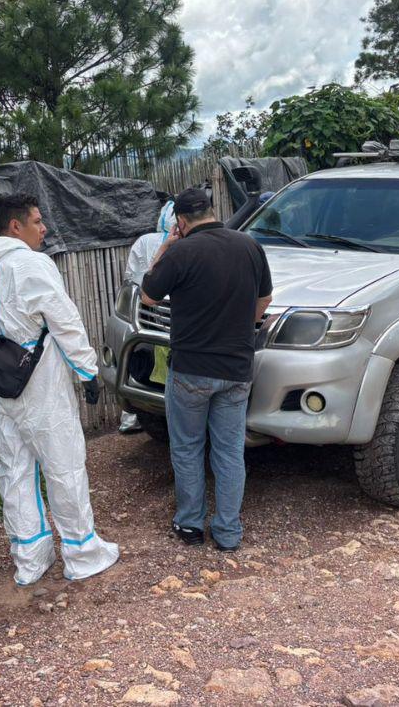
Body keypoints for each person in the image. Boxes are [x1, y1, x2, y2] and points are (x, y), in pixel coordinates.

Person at [0, 193, 119, 585]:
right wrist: (87, 371)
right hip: (39, 384)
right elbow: (64, 322)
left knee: (14, 470)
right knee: (64, 466)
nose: (44, 229)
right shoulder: (32, 265)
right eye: (38, 221)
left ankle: (30, 558)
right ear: (15, 226)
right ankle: (82, 553)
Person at [141, 187, 272, 551]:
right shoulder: (249, 246)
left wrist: (165, 246)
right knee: (229, 451)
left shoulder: (181, 251)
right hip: (236, 369)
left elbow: (149, 294)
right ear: (212, 211)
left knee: (187, 447)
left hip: (191, 369)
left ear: (180, 222)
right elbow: (265, 298)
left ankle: (190, 526)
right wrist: (244, 328)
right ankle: (228, 533)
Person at [117, 200, 176, 434]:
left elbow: (131, 277)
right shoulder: (186, 244)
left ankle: (130, 417)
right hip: (171, 314)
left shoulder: (144, 241)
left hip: (146, 312)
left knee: (141, 364)